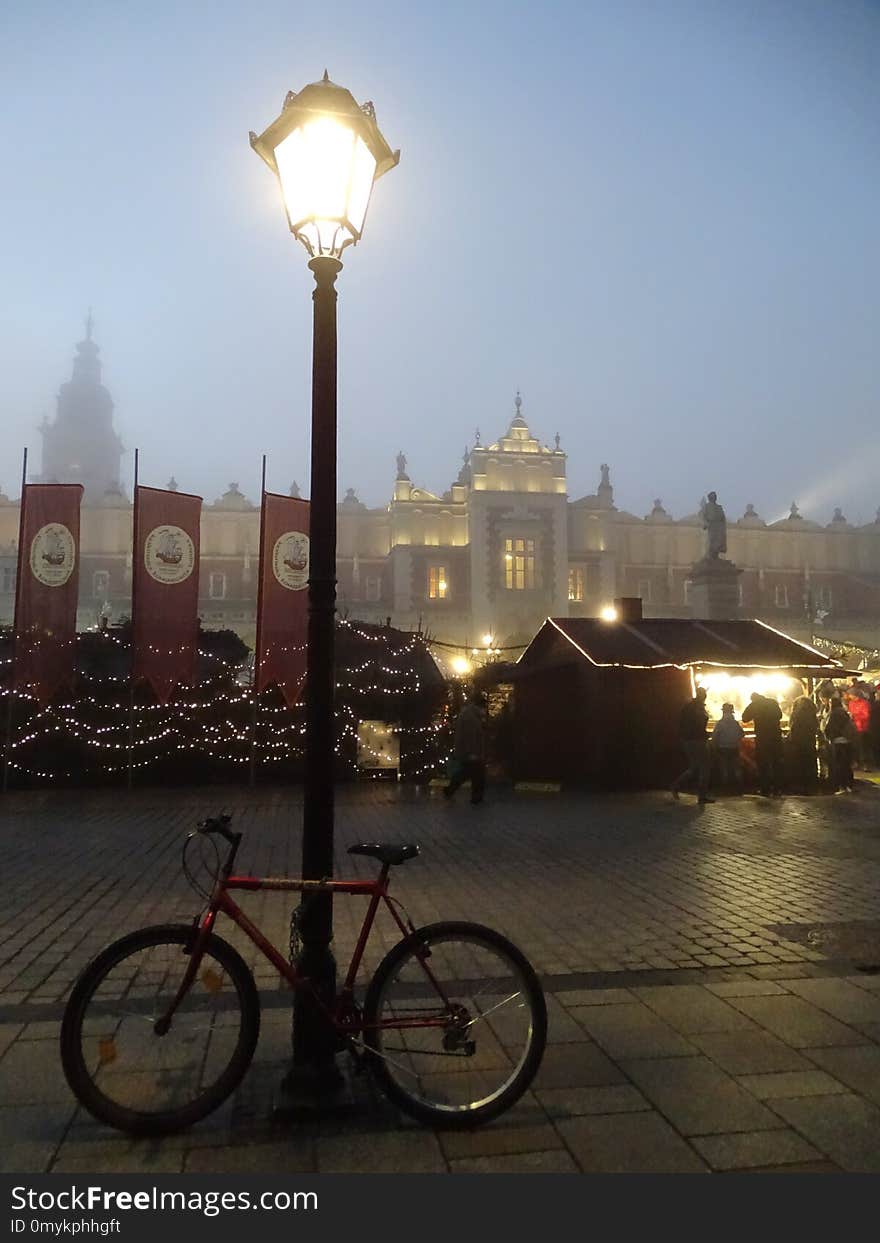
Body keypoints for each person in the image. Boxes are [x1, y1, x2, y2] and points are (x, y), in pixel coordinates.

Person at [671, 687, 715, 803]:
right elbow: (699, 725)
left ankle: (676, 785)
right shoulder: (697, 708)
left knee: (694, 767)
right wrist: (705, 734)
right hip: (698, 740)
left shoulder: (689, 706)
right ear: (703, 695)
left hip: (688, 740)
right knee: (705, 768)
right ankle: (702, 796)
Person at [444, 691, 487, 805]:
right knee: (476, 773)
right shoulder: (471, 717)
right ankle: (476, 797)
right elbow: (470, 736)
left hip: (468, 751)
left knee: (466, 773)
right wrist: (472, 752)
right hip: (471, 752)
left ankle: (450, 790)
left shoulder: (469, 714)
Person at [741, 691, 784, 796]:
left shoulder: (754, 705)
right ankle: (777, 788)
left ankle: (765, 789)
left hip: (763, 738)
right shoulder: (773, 702)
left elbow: (744, 718)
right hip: (775, 737)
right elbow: (780, 716)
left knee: (763, 763)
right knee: (776, 763)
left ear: (753, 699)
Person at [788, 692, 820, 792]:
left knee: (800, 762)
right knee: (810, 761)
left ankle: (801, 783)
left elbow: (793, 727)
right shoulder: (812, 713)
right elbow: (816, 726)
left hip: (798, 742)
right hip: (810, 741)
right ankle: (812, 782)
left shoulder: (796, 714)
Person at [824, 694, 856, 794]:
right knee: (846, 764)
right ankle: (849, 786)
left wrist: (828, 736)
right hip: (847, 741)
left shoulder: (834, 714)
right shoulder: (844, 712)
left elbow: (829, 728)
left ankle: (842, 786)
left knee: (839, 765)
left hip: (838, 741)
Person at [711, 703, 744, 791]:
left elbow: (714, 737)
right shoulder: (736, 723)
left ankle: (725, 787)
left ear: (723, 712)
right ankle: (739, 786)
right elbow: (742, 734)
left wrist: (714, 746)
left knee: (724, 768)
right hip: (734, 748)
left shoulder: (720, 723)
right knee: (736, 767)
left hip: (722, 748)